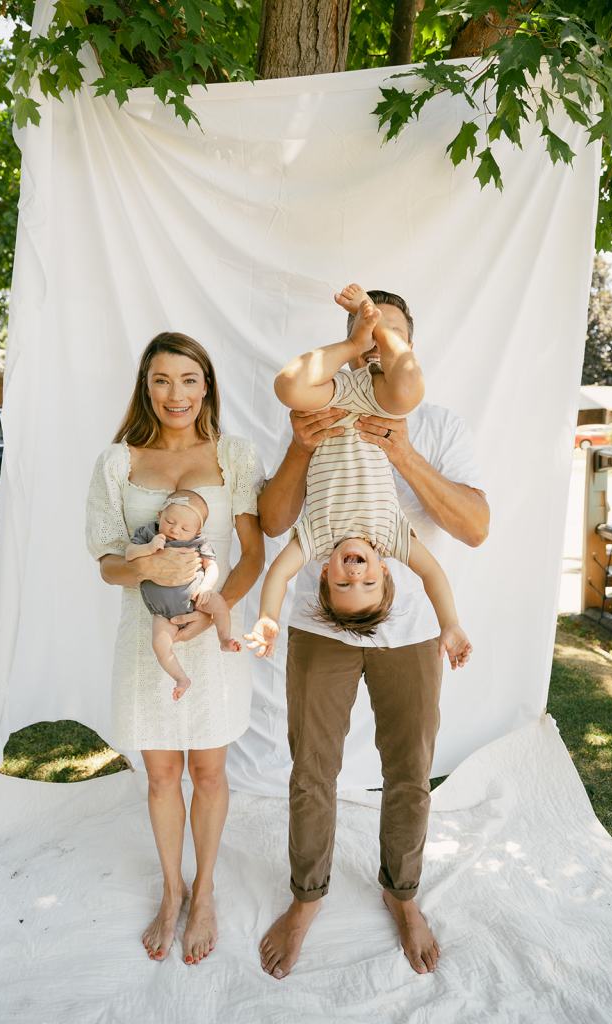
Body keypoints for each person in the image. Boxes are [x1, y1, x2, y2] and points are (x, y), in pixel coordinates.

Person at [256, 288, 490, 979]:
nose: (380, 343)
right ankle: (306, 896)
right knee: (311, 773)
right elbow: (273, 524)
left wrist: (406, 453)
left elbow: (475, 528)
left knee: (409, 776)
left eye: (392, 337)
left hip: (409, 631)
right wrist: (300, 450)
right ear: (354, 344)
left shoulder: (435, 420)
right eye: (369, 333)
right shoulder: (318, 401)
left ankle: (403, 892)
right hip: (319, 620)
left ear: (407, 348)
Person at [86, 331, 264, 965]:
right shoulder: (120, 461)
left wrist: (207, 618)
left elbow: (253, 556)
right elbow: (108, 562)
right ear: (146, 387)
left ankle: (207, 890)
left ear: (206, 385)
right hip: (145, 638)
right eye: (162, 381)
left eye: (188, 380)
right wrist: (146, 573)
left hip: (209, 632)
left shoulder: (234, 456)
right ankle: (172, 891)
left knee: (210, 771)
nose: (175, 394)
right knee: (162, 774)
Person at [246, 284, 471, 670]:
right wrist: (450, 624)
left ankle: (352, 342)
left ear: (324, 576)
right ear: (384, 571)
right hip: (379, 398)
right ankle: (374, 336)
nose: (354, 574)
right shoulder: (391, 538)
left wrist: (267, 616)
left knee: (286, 386)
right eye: (367, 583)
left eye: (343, 583)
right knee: (409, 391)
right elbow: (433, 574)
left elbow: (279, 575)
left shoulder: (315, 541)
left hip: (334, 398)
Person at [126, 489, 242, 701]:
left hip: (196, 597)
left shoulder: (198, 542)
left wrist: (206, 587)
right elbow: (129, 554)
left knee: (220, 604)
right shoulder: (148, 533)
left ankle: (224, 638)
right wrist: (150, 548)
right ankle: (181, 678)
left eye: (185, 528)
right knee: (159, 645)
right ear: (159, 515)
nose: (175, 531)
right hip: (162, 613)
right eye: (170, 521)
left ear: (197, 532)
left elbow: (212, 567)